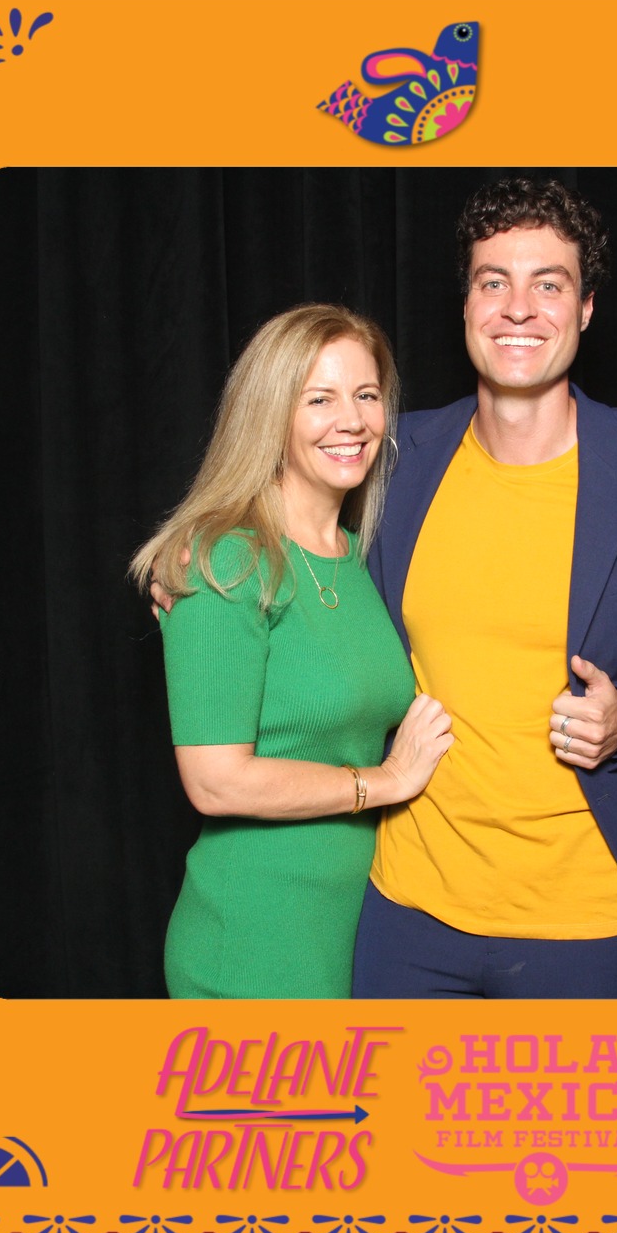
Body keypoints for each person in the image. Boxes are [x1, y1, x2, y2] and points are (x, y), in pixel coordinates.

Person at [352, 178, 617, 998]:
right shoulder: (395, 458)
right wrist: (205, 568)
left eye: (549, 284)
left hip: (589, 927)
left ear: (586, 309)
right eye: (493, 281)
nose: (518, 308)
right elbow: (289, 532)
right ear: (467, 304)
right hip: (408, 915)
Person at [131, 304, 452, 999]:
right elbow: (215, 781)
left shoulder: (358, 558)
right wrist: (383, 782)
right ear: (270, 415)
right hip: (254, 938)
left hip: (348, 932)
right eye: (319, 399)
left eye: (366, 395)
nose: (352, 420)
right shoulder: (226, 558)